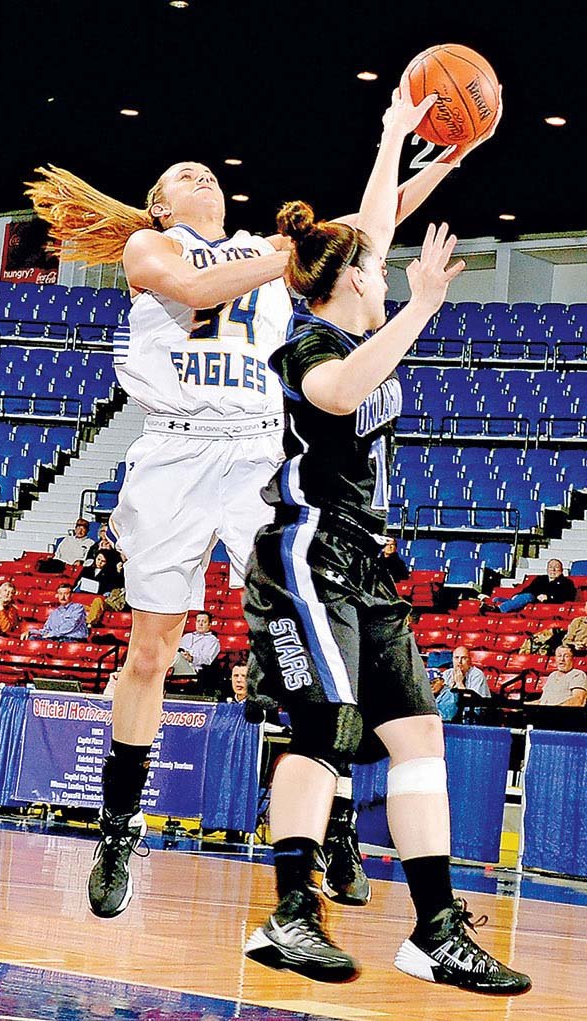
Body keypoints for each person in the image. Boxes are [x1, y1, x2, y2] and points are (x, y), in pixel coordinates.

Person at [27, 83, 501, 920]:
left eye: (208, 171)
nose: (201, 176)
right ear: (160, 202)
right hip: (173, 450)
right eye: (184, 173)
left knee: (320, 635)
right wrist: (300, 250)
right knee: (152, 649)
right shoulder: (148, 248)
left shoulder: (265, 246)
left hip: (258, 449)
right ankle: (118, 824)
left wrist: (428, 153)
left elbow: (367, 221)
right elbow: (198, 287)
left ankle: (340, 820)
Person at [242, 85, 528, 993]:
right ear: (353, 283)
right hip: (303, 555)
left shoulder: (354, 305)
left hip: (366, 563)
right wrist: (421, 307)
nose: (385, 264)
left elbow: (369, 218)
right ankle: (288, 916)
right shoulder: (309, 345)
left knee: (419, 740)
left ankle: (436, 930)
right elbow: (336, 396)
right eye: (374, 268)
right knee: (324, 728)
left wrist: (400, 139)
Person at [480, 559, 576, 614]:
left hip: (548, 604)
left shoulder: (567, 583)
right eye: (550, 567)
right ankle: (502, 602)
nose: (553, 570)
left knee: (528, 596)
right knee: (497, 598)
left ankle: (499, 609)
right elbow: (529, 589)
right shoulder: (540, 579)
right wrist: (518, 595)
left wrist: (549, 598)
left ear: (562, 570)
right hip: (533, 599)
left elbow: (567, 597)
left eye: (556, 567)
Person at [431, 646, 490, 722]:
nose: (459, 661)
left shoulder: (477, 675)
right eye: (456, 658)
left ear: (470, 661)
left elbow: (474, 704)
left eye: (464, 658)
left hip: (472, 715)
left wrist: (459, 683)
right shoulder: (447, 674)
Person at [23, 582, 88, 641]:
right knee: (31, 638)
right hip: (56, 640)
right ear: (57, 595)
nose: (63, 596)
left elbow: (70, 626)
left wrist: (51, 634)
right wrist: (30, 632)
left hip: (73, 640)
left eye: (66, 594)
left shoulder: (77, 608)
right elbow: (46, 630)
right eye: (60, 594)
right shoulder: (54, 613)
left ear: (71, 595)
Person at [172, 610, 220, 678]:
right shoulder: (187, 636)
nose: (200, 624)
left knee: (176, 657)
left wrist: (191, 658)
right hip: (179, 664)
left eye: (204, 622)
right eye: (198, 621)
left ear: (209, 624)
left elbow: (207, 660)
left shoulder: (212, 641)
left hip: (195, 670)